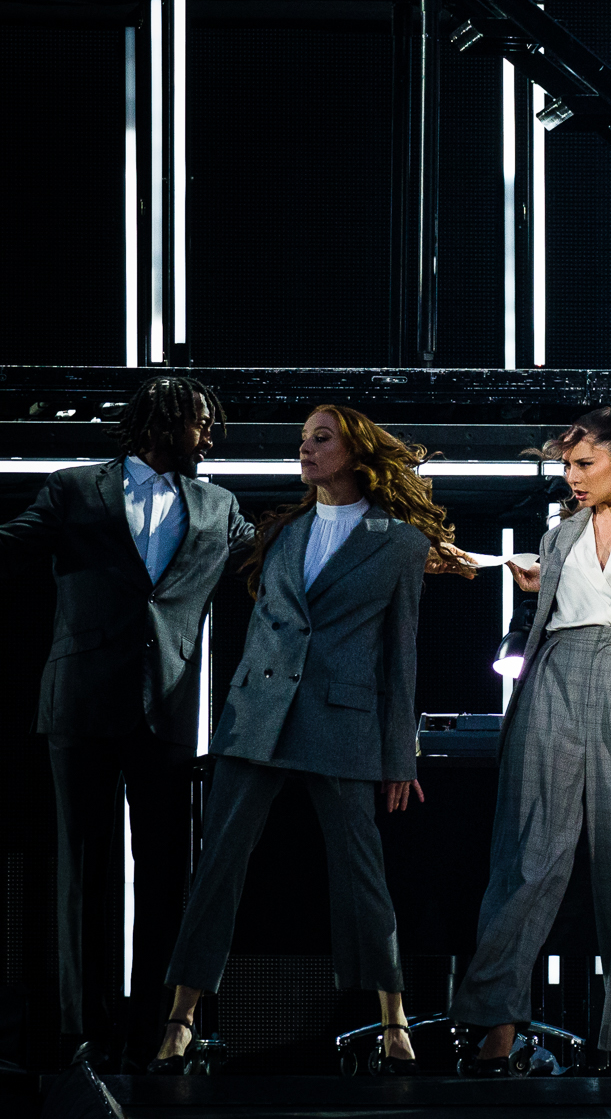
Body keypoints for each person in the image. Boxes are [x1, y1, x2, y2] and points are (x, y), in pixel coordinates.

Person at [149, 407, 474, 1074]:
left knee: (363, 876)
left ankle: (394, 1019)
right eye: (302, 439)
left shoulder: (401, 543)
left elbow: (400, 659)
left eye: (321, 438)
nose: (305, 448)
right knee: (217, 868)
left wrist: (397, 754)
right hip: (257, 718)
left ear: (355, 451)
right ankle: (178, 1020)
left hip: (342, 720)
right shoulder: (284, 531)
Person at [452, 392, 611, 1078]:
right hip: (555, 679)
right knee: (527, 855)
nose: (572, 474)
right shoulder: (562, 532)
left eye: (584, 462)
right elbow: (558, 612)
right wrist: (540, 584)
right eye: (567, 463)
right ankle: (496, 1026)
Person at [0, 377, 253, 1073]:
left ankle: (154, 1031)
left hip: (166, 706)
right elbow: (13, 544)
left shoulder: (220, 504)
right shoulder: (76, 487)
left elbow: (272, 565)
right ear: (160, 422)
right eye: (200, 422)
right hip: (79, 703)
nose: (210, 436)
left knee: (168, 874)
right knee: (79, 870)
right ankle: (78, 1032)